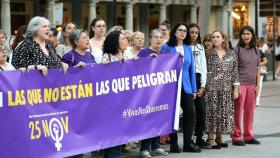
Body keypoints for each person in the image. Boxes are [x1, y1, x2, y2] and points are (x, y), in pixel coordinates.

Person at [161, 22, 200, 153]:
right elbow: (161, 66)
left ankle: (188, 144)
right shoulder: (167, 47)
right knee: (173, 115)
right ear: (174, 32)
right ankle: (173, 144)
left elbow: (191, 70)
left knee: (190, 113)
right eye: (180, 30)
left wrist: (194, 89)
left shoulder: (188, 48)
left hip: (186, 86)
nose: (183, 32)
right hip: (171, 86)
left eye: (185, 30)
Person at [204, 30, 239, 149]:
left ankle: (219, 137)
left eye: (218, 37)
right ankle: (210, 138)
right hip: (211, 88)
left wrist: (236, 88)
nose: (215, 39)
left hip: (226, 88)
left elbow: (235, 72)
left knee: (222, 113)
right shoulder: (207, 53)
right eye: (213, 37)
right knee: (212, 112)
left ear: (223, 39)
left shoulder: (231, 53)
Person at [137, 29, 169, 158]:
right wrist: (147, 60)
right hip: (147, 93)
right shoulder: (144, 52)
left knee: (159, 119)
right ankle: (144, 149)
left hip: (161, 92)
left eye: (161, 37)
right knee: (148, 120)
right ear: (150, 39)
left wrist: (178, 59)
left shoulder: (165, 53)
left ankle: (156, 146)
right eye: (156, 37)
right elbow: (136, 69)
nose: (158, 40)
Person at [232, 25, 261, 146]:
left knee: (250, 112)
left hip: (252, 85)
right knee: (238, 112)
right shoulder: (237, 49)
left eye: (248, 34)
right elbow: (234, 68)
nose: (246, 36)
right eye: (244, 34)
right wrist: (236, 86)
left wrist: (258, 85)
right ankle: (236, 137)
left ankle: (249, 136)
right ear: (241, 36)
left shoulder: (256, 49)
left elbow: (258, 68)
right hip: (241, 85)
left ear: (252, 35)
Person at [101, 30, 128, 158]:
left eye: (126, 39)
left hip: (124, 99)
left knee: (121, 128)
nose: (126, 41)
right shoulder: (107, 56)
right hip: (111, 101)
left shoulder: (128, 57)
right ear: (115, 42)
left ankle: (117, 152)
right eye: (122, 39)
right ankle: (112, 154)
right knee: (112, 128)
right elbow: (104, 72)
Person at [186, 23, 207, 148]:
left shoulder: (200, 47)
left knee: (201, 111)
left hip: (198, 78)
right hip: (187, 78)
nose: (193, 34)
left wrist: (203, 85)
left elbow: (203, 66)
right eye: (191, 32)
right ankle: (191, 138)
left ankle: (199, 136)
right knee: (190, 111)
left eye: (196, 32)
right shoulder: (183, 47)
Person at [256, 39, 268, 106]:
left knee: (259, 85)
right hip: (250, 71)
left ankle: (257, 100)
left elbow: (265, 61)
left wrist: (259, 64)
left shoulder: (259, 51)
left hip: (259, 71)